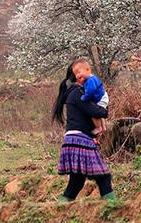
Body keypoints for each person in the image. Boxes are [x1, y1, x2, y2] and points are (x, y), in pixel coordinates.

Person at [51, 58, 115, 202]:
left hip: (73, 138)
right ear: (78, 78)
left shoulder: (74, 93)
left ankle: (60, 209)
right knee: (104, 176)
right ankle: (114, 209)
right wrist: (104, 110)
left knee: (77, 181)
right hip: (81, 140)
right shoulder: (79, 94)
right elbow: (98, 112)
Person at [81, 71, 109, 141]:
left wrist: (84, 97)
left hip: (101, 98)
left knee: (93, 112)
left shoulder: (90, 80)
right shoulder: (93, 77)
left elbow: (91, 90)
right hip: (103, 97)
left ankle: (98, 127)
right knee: (100, 113)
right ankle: (103, 127)